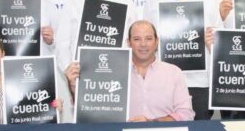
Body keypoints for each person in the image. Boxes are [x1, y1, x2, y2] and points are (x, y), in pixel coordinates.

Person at [64, 21, 194, 122]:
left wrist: (152, 122)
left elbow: (186, 114)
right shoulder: (111, 73)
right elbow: (90, 111)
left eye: (148, 38)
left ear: (156, 42)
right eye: (137, 39)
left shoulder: (173, 72)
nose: (143, 44)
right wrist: (74, 87)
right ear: (129, 43)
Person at [142, 0, 217, 120]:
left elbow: (218, 42)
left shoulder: (209, 1)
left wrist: (211, 42)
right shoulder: (153, 3)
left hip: (200, 82)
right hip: (162, 81)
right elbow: (146, 42)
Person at [57, 0, 136, 74]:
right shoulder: (72, 4)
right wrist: (69, 71)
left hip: (119, 73)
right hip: (81, 75)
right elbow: (62, 44)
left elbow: (134, 41)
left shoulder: (126, 3)